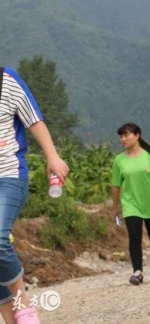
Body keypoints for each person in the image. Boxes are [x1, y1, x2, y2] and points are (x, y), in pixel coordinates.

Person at [0, 67, 69, 324]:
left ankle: (23, 303)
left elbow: (33, 119)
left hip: (8, 173)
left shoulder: (5, 79)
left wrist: (52, 156)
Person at [111, 122, 150, 285]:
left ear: (137, 136)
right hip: (131, 204)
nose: (123, 139)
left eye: (126, 135)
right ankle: (137, 272)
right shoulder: (119, 160)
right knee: (134, 236)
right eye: (121, 136)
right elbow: (116, 185)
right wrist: (115, 207)